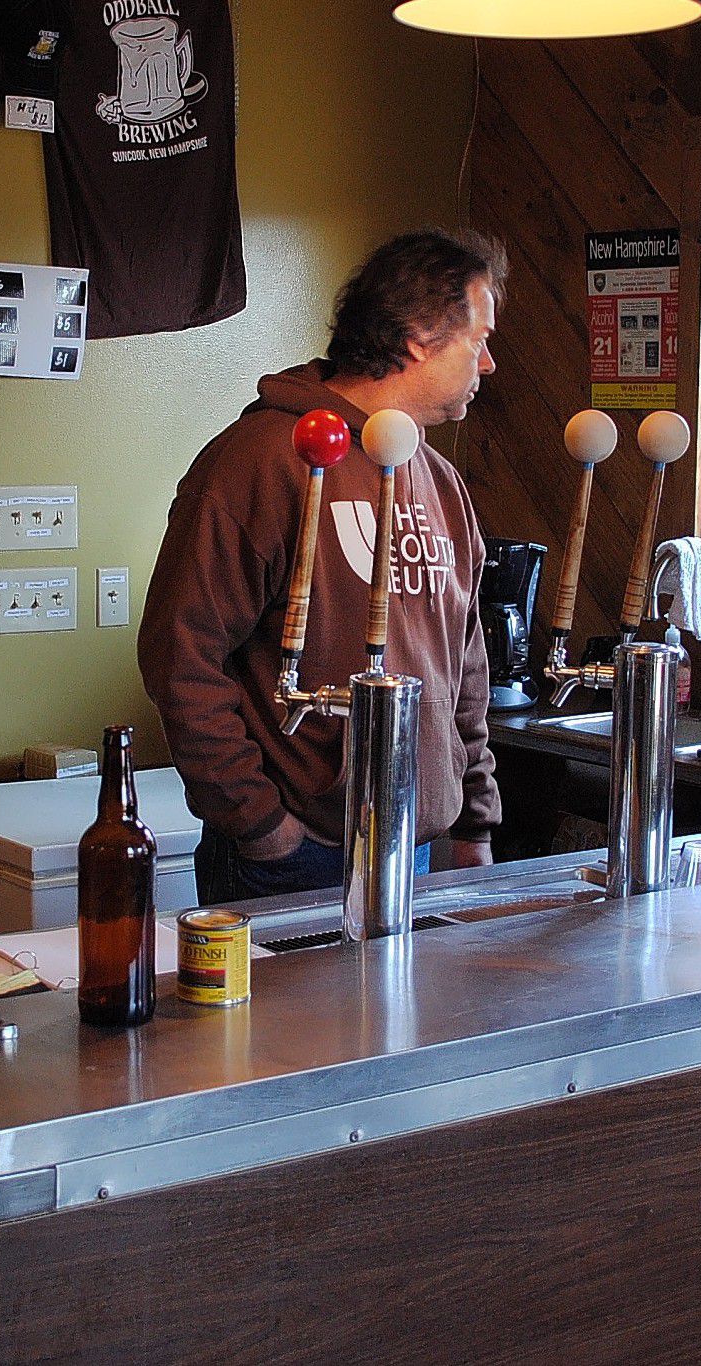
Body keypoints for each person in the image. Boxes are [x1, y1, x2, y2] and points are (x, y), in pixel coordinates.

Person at [140, 228, 507, 903]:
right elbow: (181, 654)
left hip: (418, 847)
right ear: (422, 334)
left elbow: (465, 665)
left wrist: (474, 816)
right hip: (294, 852)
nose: (487, 364)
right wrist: (259, 822)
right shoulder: (261, 459)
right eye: (478, 339)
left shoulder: (441, 480)